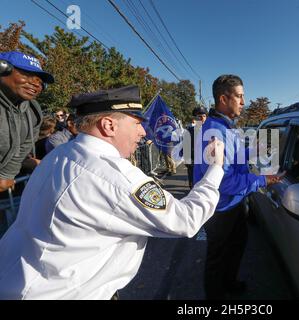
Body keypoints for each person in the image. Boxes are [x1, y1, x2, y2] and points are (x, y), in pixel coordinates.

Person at [0, 85, 225, 300]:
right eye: (137, 123)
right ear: (109, 125)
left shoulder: (61, 154)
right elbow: (186, 220)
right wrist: (215, 168)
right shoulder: (113, 176)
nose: (143, 131)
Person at [193, 75, 283, 299]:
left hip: (234, 204)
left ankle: (229, 282)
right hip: (220, 208)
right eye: (240, 96)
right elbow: (224, 181)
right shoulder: (214, 132)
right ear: (224, 98)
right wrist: (264, 180)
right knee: (218, 257)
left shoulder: (226, 127)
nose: (244, 102)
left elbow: (233, 160)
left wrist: (253, 151)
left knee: (236, 246)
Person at [0, 51, 54, 192]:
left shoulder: (33, 111)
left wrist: (6, 174)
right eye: (27, 75)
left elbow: (23, 147)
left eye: (40, 81)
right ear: (2, 69)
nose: (35, 84)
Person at [186, 106, 208, 188]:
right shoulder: (190, 131)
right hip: (194, 163)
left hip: (207, 163)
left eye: (204, 116)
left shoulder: (210, 130)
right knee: (194, 187)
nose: (202, 118)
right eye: (199, 116)